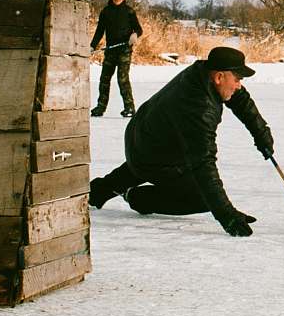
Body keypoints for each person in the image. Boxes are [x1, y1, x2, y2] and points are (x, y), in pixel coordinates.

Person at [88, 46, 273, 237]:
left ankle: (99, 191)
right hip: (152, 149)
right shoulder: (199, 108)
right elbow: (203, 164)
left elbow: (240, 98)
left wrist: (262, 135)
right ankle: (139, 198)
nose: (239, 85)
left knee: (148, 163)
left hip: (146, 136)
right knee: (201, 197)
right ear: (219, 77)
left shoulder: (204, 72)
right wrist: (227, 215)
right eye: (237, 79)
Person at [90, 0, 144, 117]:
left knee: (122, 79)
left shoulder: (129, 11)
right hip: (110, 51)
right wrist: (92, 46)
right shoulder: (105, 12)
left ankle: (129, 108)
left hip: (124, 51)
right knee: (104, 79)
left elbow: (138, 29)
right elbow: (99, 31)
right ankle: (100, 107)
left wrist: (135, 35)